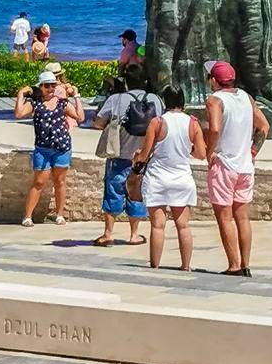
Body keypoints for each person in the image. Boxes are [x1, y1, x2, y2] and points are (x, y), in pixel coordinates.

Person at [205, 60, 270, 278]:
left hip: (224, 164)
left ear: (213, 80)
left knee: (224, 217)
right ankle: (246, 263)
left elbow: (214, 129)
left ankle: (233, 265)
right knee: (242, 216)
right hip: (245, 165)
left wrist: (209, 152)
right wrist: (252, 152)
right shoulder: (246, 97)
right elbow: (264, 126)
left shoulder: (215, 100)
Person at [134, 84, 207, 270]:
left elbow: (145, 153)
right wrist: (186, 148)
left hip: (158, 178)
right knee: (183, 225)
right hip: (182, 178)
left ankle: (155, 265)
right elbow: (201, 153)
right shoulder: (193, 123)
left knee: (158, 226)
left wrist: (137, 158)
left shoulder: (157, 122)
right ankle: (185, 266)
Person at [91, 62, 163, 246]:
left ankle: (108, 234)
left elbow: (98, 123)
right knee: (136, 193)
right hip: (143, 158)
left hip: (119, 155)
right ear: (145, 81)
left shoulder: (116, 99)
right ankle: (134, 234)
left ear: (126, 82)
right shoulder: (156, 100)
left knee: (113, 192)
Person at [14, 69, 84, 225]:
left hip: (62, 147)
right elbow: (19, 114)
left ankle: (59, 214)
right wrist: (21, 94)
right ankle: (27, 216)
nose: (51, 89)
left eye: (53, 85)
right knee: (39, 182)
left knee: (60, 181)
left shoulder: (62, 103)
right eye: (47, 86)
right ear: (41, 87)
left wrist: (77, 96)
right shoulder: (35, 103)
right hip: (43, 148)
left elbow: (80, 117)